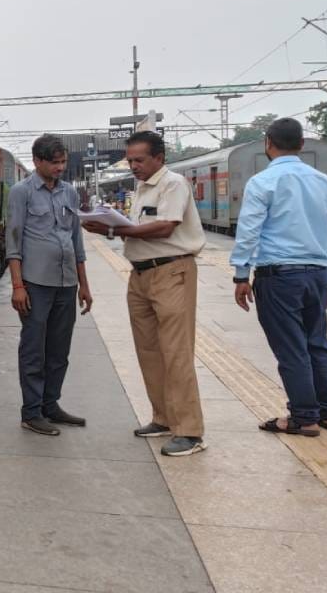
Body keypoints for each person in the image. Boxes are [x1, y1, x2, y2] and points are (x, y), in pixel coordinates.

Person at [83, 131, 207, 456]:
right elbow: (139, 229)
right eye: (131, 160)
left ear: (159, 159)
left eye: (139, 160)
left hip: (171, 272)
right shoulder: (140, 188)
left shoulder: (173, 184)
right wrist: (116, 226)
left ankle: (190, 431)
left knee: (176, 351)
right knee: (148, 350)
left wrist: (112, 229)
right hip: (140, 275)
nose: (134, 166)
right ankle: (163, 417)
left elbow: (166, 226)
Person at [229, 118, 327, 436]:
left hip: (279, 277)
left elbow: (249, 231)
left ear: (268, 143)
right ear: (302, 144)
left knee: (291, 348)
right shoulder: (326, 183)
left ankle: (304, 417)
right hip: (317, 275)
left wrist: (240, 275)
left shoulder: (263, 182)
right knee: (317, 342)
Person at [6, 134, 93, 435]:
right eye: (54, 163)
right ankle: (31, 412)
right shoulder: (22, 192)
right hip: (35, 283)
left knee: (59, 349)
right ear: (37, 161)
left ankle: (50, 405)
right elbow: (13, 241)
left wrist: (84, 284)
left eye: (63, 162)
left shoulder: (69, 193)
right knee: (33, 349)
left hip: (66, 283)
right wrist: (18, 286)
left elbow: (76, 241)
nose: (60, 168)